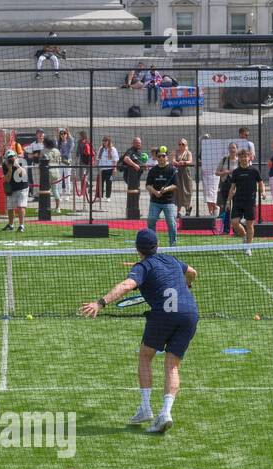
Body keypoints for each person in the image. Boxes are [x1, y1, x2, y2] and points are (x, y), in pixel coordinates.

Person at [80, 228, 199, 435]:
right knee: (172, 365)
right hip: (190, 314)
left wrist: (101, 303)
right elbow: (193, 272)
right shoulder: (171, 259)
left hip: (164, 315)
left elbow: (127, 285)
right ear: (157, 245)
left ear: (138, 249)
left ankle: (145, 407)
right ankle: (166, 412)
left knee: (145, 356)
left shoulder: (142, 266)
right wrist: (188, 284)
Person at [222, 148, 263, 252]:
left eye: (245, 156)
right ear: (239, 159)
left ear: (249, 157)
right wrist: (228, 201)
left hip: (250, 201)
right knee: (234, 223)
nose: (243, 158)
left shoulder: (254, 171)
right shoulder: (236, 172)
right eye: (241, 157)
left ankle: (248, 247)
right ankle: (245, 236)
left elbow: (260, 182)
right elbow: (232, 188)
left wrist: (263, 192)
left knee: (250, 224)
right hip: (238, 201)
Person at [144, 146, 178, 247]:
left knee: (171, 223)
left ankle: (173, 243)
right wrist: (155, 192)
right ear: (157, 157)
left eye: (163, 156)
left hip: (169, 201)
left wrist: (166, 189)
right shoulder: (153, 170)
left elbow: (175, 185)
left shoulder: (172, 169)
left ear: (167, 157)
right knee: (151, 220)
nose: (161, 158)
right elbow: (148, 185)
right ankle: (153, 243)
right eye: (159, 156)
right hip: (155, 201)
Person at [0, 148, 29, 232]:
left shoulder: (21, 161)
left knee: (20, 206)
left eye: (12, 157)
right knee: (10, 208)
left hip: (22, 187)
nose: (11, 159)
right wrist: (10, 168)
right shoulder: (5, 164)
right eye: (9, 157)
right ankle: (11, 224)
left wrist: (17, 165)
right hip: (12, 188)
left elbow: (23, 174)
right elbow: (7, 179)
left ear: (16, 156)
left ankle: (21, 225)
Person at [171, 138, 194, 214]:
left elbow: (190, 161)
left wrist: (184, 162)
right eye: (179, 144)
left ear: (186, 145)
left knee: (187, 190)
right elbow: (173, 160)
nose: (181, 145)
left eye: (183, 144)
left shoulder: (188, 153)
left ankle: (187, 208)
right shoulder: (175, 152)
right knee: (178, 191)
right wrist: (176, 163)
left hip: (186, 174)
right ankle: (178, 211)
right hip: (177, 173)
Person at [96, 137, 118, 202]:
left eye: (106, 141)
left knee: (109, 183)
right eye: (103, 141)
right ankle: (99, 196)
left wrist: (114, 168)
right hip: (101, 169)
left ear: (109, 141)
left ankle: (108, 196)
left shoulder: (113, 149)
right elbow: (98, 158)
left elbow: (115, 159)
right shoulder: (101, 149)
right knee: (100, 183)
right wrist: (96, 164)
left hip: (109, 169)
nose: (104, 142)